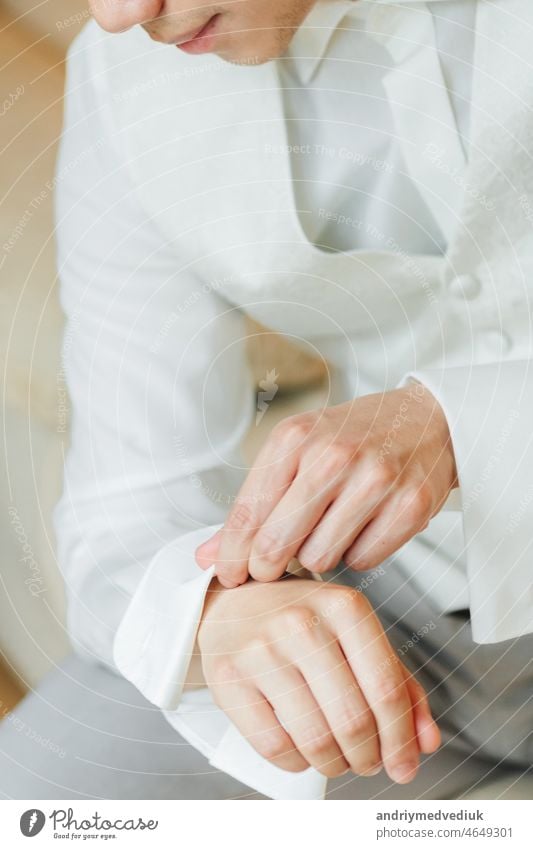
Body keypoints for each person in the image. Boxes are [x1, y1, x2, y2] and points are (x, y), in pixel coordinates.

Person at [2, 0, 532, 800]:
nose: (118, 15)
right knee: (36, 792)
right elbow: (121, 512)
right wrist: (213, 614)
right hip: (403, 631)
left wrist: (458, 425)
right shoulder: (122, 90)